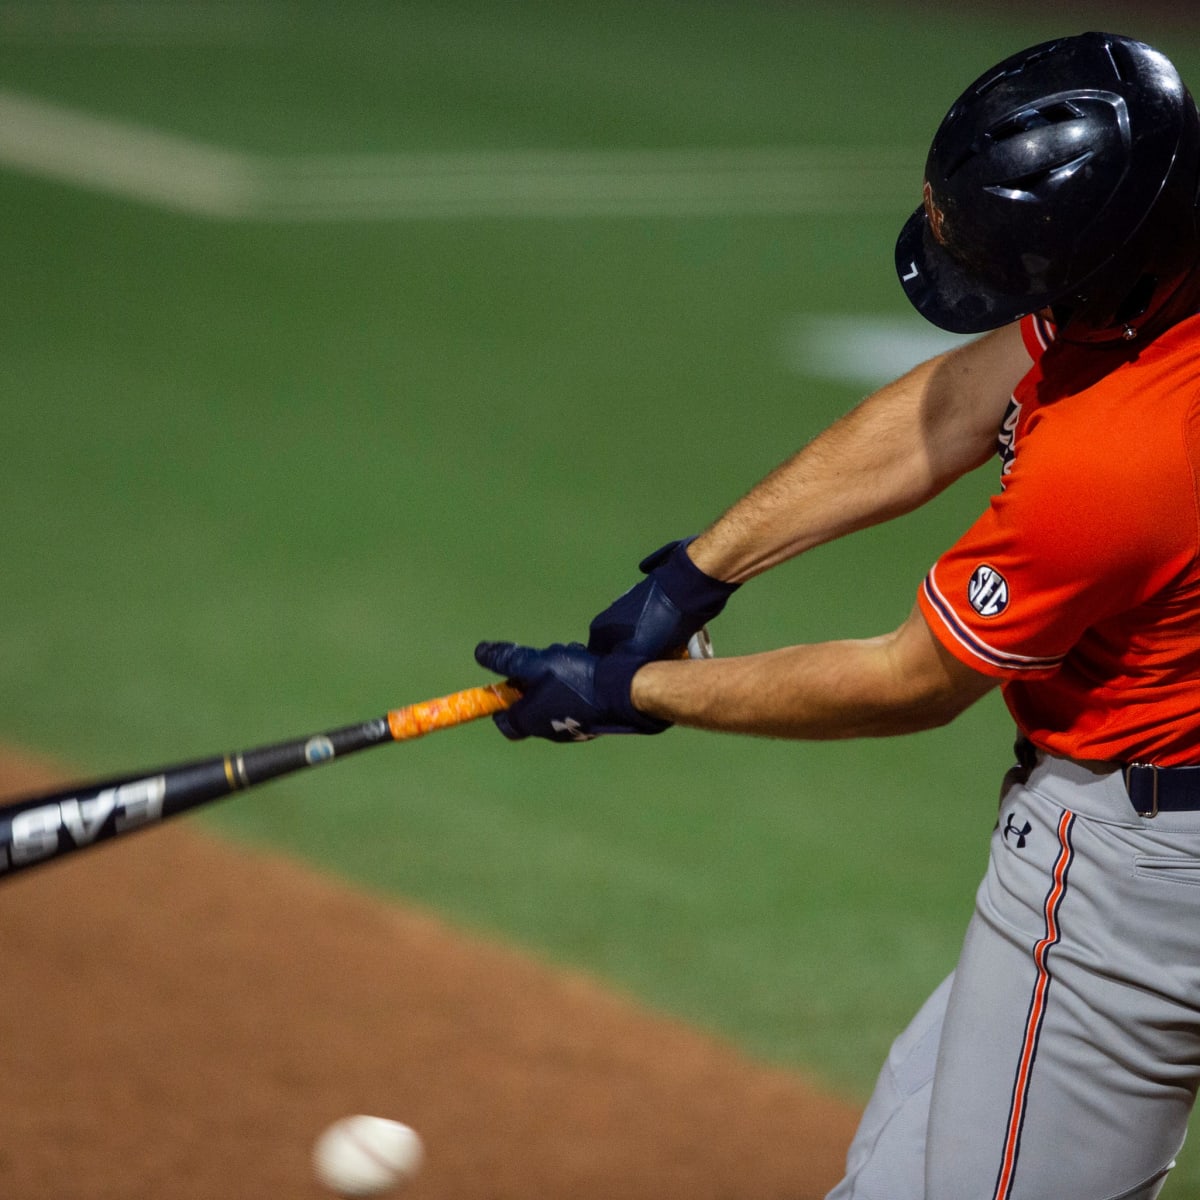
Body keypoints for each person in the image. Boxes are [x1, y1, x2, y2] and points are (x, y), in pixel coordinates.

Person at [475, 30, 1200, 1199]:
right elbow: (977, 387)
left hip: (1147, 869)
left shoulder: (1121, 459)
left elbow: (906, 682)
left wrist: (629, 690)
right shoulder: (1158, 274)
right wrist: (693, 576)